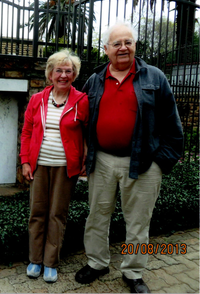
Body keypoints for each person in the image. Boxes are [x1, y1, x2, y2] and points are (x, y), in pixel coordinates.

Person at [75, 21, 184, 293]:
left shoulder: (155, 77)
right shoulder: (95, 80)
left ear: (135, 45)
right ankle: (97, 263)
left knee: (138, 221)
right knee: (97, 216)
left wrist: (161, 162)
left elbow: (173, 125)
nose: (123, 48)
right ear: (106, 50)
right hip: (101, 161)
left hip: (144, 163)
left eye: (128, 42)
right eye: (116, 43)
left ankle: (133, 272)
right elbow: (82, 121)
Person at [20, 49, 89, 283]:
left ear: (74, 75)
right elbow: (27, 131)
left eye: (68, 71)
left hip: (65, 168)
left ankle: (51, 262)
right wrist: (25, 161)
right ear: (50, 74)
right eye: (58, 70)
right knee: (37, 213)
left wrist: (84, 161)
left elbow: (87, 134)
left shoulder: (81, 100)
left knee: (57, 215)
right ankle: (35, 260)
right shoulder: (36, 100)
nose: (63, 75)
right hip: (39, 166)